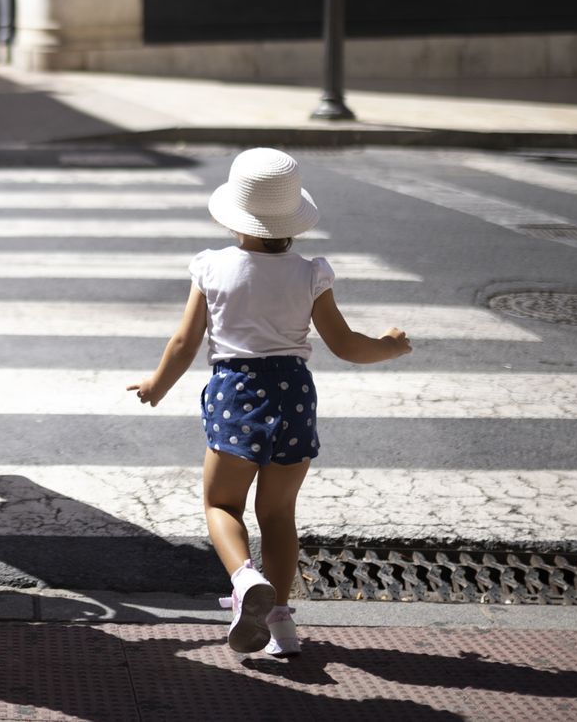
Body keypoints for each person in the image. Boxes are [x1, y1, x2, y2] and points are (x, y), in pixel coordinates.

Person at [128, 148, 412, 658]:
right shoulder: (311, 273)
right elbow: (346, 345)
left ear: (235, 214)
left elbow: (184, 344)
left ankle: (243, 580)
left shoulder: (212, 268)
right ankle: (281, 627)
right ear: (293, 221)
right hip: (295, 396)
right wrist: (390, 345)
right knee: (279, 514)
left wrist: (156, 385)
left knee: (221, 503)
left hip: (236, 392)